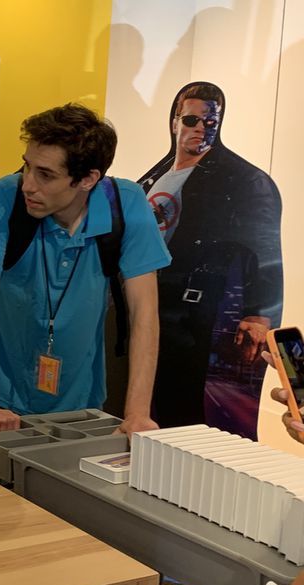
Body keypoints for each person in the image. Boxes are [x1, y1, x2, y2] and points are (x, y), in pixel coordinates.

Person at [0, 103, 171, 435]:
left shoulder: (125, 205)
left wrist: (137, 413)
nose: (28, 184)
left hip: (85, 407)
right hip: (5, 405)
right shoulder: (4, 198)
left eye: (46, 175)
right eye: (28, 167)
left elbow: (145, 310)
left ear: (87, 179)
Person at [138, 82, 283, 435]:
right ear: (174, 121)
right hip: (150, 309)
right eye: (191, 119)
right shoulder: (155, 177)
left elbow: (265, 253)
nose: (201, 128)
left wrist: (258, 315)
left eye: (210, 121)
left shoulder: (246, 180)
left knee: (186, 418)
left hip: (196, 317)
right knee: (149, 410)